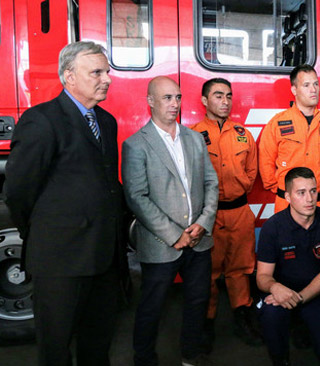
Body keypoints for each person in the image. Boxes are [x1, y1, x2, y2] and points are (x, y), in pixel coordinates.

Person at [5, 41, 125, 366]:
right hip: (60, 260)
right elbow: (17, 191)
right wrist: (45, 232)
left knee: (97, 345)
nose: (106, 79)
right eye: (96, 72)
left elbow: (107, 184)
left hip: (103, 258)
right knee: (56, 349)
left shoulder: (107, 121)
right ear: (69, 76)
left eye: (107, 71)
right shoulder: (41, 121)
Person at [122, 76, 219, 366]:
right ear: (150, 101)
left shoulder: (193, 138)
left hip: (199, 240)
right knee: (152, 306)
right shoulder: (136, 145)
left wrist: (204, 222)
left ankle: (190, 355)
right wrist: (175, 235)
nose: (174, 104)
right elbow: (137, 197)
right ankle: (144, 358)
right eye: (167, 98)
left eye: (177, 97)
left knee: (197, 301)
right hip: (162, 244)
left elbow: (211, 182)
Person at [190, 78, 261, 348]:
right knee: (207, 270)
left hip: (240, 211)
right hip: (208, 215)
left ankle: (242, 316)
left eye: (229, 96)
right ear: (205, 101)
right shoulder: (193, 135)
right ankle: (205, 323)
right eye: (218, 96)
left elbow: (252, 173)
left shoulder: (244, 134)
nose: (225, 101)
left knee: (240, 268)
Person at [255, 168, 320, 366]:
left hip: (315, 295)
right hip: (281, 295)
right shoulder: (272, 227)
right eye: (301, 193)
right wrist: (275, 288)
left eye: (313, 191)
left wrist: (299, 298)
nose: (309, 199)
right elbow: (262, 277)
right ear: (288, 197)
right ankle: (280, 360)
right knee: (270, 314)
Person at [259, 64, 320, 213]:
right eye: (306, 85)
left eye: (316, 84)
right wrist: (284, 190)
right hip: (288, 206)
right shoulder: (277, 123)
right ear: (294, 90)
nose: (313, 89)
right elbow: (266, 163)